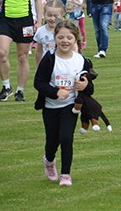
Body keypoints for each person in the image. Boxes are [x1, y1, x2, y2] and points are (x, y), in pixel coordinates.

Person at [34, 20, 93, 186]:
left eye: (69, 37)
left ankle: (66, 174)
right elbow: (38, 83)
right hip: (50, 107)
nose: (65, 41)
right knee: (52, 140)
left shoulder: (82, 61)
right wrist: (55, 92)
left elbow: (90, 87)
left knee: (66, 137)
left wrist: (85, 85)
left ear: (75, 39)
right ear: (55, 39)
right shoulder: (49, 60)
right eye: (60, 37)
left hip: (70, 107)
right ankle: (49, 160)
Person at [33, 0, 65, 65]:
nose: (52, 18)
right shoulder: (40, 31)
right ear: (44, 14)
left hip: (63, 65)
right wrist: (39, 68)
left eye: (56, 16)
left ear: (62, 15)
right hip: (47, 66)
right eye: (49, 15)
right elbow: (39, 51)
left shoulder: (66, 31)